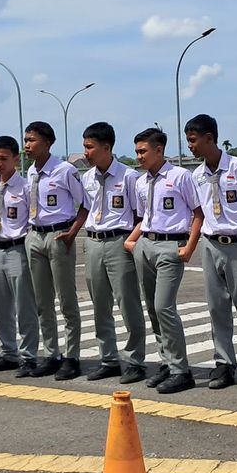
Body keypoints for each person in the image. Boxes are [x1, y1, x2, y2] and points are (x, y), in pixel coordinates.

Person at [185, 115, 237, 390]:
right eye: (188, 141)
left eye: (193, 140)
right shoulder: (197, 175)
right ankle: (224, 363)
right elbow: (199, 211)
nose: (190, 147)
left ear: (210, 137)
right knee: (217, 307)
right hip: (211, 244)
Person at [124, 127, 202, 394]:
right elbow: (143, 216)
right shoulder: (140, 181)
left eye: (143, 151)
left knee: (164, 307)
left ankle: (182, 370)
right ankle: (167, 363)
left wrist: (189, 247)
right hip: (146, 244)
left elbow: (198, 213)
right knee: (153, 310)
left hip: (171, 246)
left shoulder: (181, 176)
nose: (139, 156)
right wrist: (132, 242)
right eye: (136, 151)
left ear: (159, 149)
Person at [78, 122, 148, 384]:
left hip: (119, 241)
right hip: (94, 242)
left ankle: (135, 360)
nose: (85, 152)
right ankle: (108, 358)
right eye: (84, 146)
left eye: (89, 147)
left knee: (127, 302)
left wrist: (130, 242)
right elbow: (86, 208)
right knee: (100, 304)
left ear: (106, 147)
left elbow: (140, 214)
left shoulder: (129, 177)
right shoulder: (87, 178)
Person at [24, 121, 88, 378]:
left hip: (59, 236)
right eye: (25, 140)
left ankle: (72, 357)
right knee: (42, 302)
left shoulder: (65, 170)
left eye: (31, 140)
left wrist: (72, 232)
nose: (26, 145)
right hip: (35, 236)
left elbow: (85, 203)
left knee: (67, 300)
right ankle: (52, 353)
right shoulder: (30, 172)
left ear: (48, 143)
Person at [0, 136, 40, 374]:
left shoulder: (26, 187)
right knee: (0, 305)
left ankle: (29, 355)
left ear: (16, 159)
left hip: (18, 248)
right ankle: (7, 352)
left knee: (24, 304)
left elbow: (31, 219)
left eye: (3, 158)